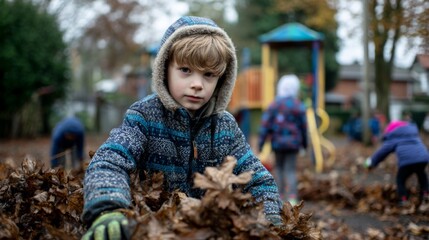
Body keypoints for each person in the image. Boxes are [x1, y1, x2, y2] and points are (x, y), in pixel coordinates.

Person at [81, 16, 283, 240]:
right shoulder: (144, 116)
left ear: (222, 78)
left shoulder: (225, 127)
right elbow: (110, 161)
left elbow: (258, 179)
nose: (197, 84)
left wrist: (268, 222)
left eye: (208, 74)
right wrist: (108, 208)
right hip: (152, 229)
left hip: (206, 231)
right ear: (164, 68)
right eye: (185, 70)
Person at [257, 74, 307, 206]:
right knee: (290, 169)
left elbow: (265, 124)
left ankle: (278, 194)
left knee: (278, 167)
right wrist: (304, 145)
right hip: (294, 144)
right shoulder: (298, 105)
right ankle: (292, 196)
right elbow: (304, 127)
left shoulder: (274, 105)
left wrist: (261, 143)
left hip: (277, 143)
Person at [364, 120, 429, 206]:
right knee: (421, 175)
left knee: (401, 179)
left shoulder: (394, 137)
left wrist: (371, 162)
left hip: (407, 161)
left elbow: (382, 152)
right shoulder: (413, 134)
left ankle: (403, 199)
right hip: (423, 158)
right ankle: (425, 193)